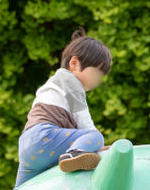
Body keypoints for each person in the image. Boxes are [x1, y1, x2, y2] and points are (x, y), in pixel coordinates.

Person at [14, 27, 112, 187]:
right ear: (74, 63)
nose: (98, 81)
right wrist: (98, 144)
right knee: (96, 136)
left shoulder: (52, 86)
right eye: (97, 74)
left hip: (27, 145)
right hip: (44, 136)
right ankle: (74, 155)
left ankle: (74, 153)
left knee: (23, 186)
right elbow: (83, 118)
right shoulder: (69, 80)